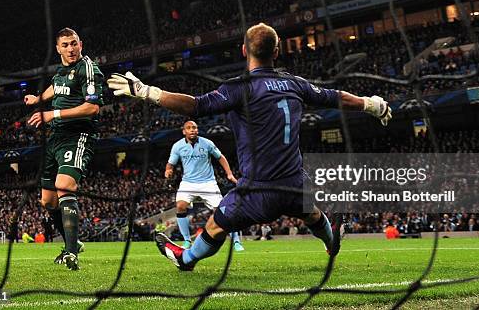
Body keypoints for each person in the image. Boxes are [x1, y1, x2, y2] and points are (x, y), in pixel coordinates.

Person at [108, 23, 391, 271]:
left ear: (244, 51)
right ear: (277, 52)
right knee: (312, 213)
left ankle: (186, 260)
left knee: (215, 226)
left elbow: (195, 106)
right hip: (295, 183)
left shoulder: (239, 88)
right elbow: (335, 96)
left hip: (258, 188)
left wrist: (146, 92)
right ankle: (331, 243)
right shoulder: (295, 83)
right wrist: (371, 104)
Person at [24, 27, 104, 270]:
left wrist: (52, 113)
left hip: (78, 134)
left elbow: (92, 108)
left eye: (74, 44)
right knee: (47, 201)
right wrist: (38, 100)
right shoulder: (61, 72)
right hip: (55, 138)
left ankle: (70, 252)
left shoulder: (88, 69)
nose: (71, 49)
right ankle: (75, 242)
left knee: (64, 186)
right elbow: (56, 87)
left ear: (81, 44)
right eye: (65, 45)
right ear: (58, 49)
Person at [166, 120, 244, 251]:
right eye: (189, 128)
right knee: (180, 206)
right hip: (188, 183)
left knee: (222, 211)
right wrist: (168, 170)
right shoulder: (177, 146)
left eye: (195, 128)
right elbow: (171, 163)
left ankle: (236, 241)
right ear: (184, 131)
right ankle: (186, 240)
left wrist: (229, 174)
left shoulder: (207, 143)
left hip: (208, 183)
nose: (193, 130)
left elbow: (220, 157)